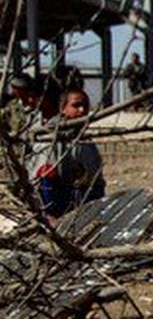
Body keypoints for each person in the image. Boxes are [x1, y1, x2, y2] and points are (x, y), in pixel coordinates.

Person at [31, 88, 105, 222]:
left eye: (85, 106)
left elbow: (95, 180)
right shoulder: (49, 138)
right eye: (76, 106)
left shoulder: (86, 141)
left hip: (78, 199)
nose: (82, 110)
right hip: (53, 200)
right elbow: (41, 179)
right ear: (63, 109)